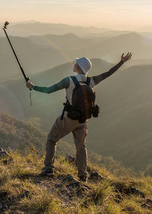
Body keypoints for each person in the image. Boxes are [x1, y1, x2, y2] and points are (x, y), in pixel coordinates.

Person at [26, 52, 132, 181]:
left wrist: (33, 87)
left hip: (68, 119)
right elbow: (108, 73)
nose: (74, 64)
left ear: (79, 67)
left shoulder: (69, 80)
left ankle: (48, 168)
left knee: (51, 139)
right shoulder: (92, 81)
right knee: (81, 146)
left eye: (76, 63)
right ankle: (83, 175)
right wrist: (122, 62)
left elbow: (49, 90)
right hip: (83, 120)